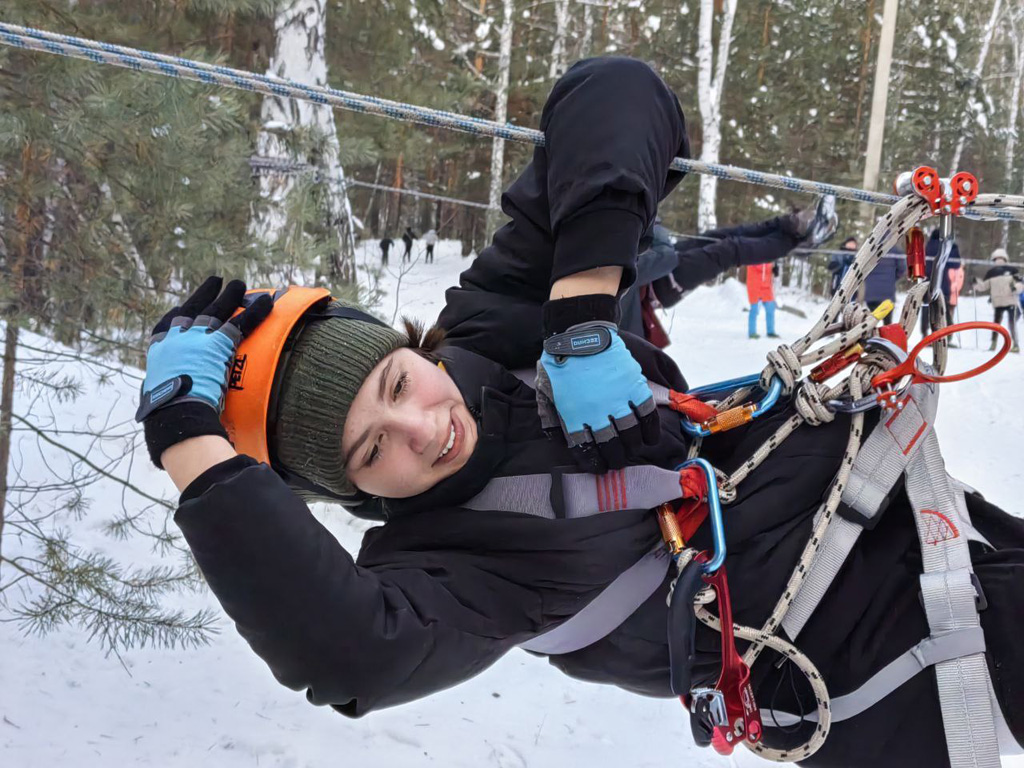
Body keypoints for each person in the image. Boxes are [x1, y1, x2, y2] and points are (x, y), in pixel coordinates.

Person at [134, 59, 1022, 767]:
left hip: (928, 518)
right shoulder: (452, 569)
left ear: (414, 349)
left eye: (399, 384)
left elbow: (618, 91)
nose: (420, 428)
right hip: (898, 654)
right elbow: (345, 655)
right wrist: (188, 439)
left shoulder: (492, 331)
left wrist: (581, 312)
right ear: (354, 492)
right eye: (373, 451)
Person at [974, 248, 1022, 353]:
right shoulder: (1013, 270)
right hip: (1011, 301)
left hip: (998, 302)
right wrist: (1016, 288)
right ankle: (1016, 344)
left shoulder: (991, 272)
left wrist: (976, 283)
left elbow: (983, 287)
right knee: (1012, 324)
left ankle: (993, 344)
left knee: (995, 325)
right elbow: (1020, 284)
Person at [920, 227, 962, 336]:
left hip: (928, 281)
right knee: (944, 309)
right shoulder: (949, 247)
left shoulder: (927, 246)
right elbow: (956, 264)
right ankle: (946, 334)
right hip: (943, 282)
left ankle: (924, 333)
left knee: (926, 307)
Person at [862, 246, 907, 323]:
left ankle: (870, 334)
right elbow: (902, 269)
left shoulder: (869, 249)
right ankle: (885, 335)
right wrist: (892, 278)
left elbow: (862, 269)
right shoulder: (895, 250)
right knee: (887, 323)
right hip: (887, 293)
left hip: (871, 292)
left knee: (871, 322)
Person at [746, 261, 779, 339]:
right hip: (754, 285)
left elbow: (767, 268)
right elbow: (758, 266)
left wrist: (774, 270)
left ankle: (770, 331)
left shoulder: (769, 258)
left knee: (770, 308)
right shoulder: (753, 256)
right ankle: (752, 332)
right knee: (754, 310)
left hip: (766, 287)